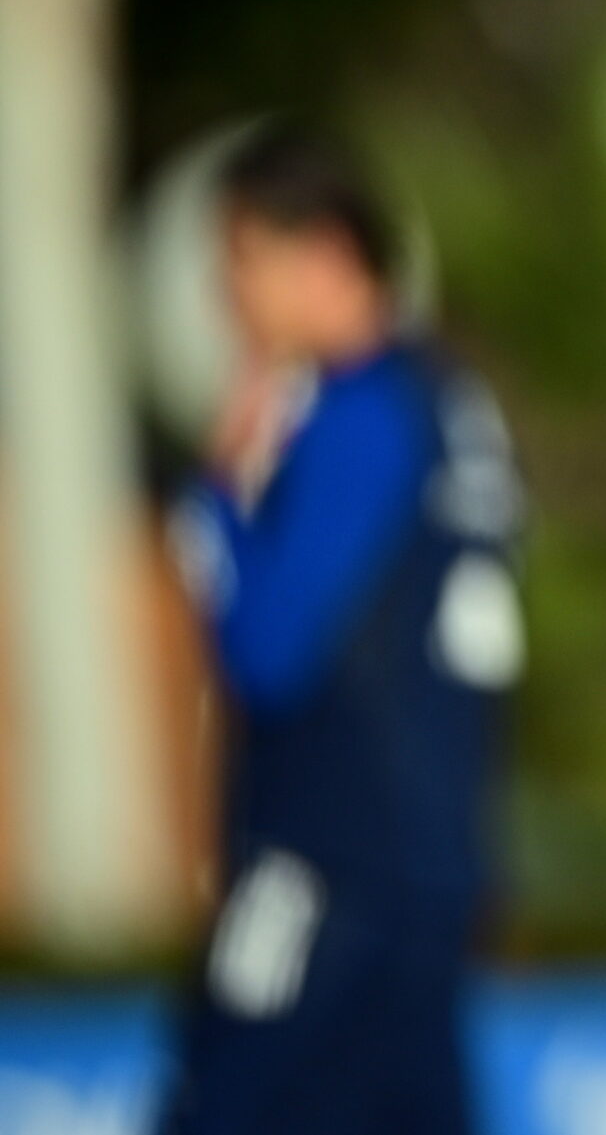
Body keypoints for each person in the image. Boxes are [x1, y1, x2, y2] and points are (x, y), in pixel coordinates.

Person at [162, 125, 524, 1135]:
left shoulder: (360, 417)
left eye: (237, 258)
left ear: (320, 250)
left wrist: (220, 503)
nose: (221, 296)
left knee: (217, 1107)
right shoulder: (455, 401)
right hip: (433, 869)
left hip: (324, 866)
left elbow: (269, 655)